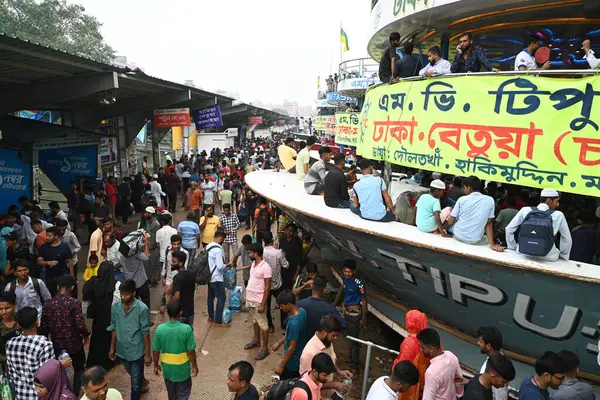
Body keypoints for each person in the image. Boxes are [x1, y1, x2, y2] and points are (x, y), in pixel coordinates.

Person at [41, 274, 90, 395]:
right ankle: (74, 394)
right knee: (79, 369)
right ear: (71, 288)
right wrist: (86, 335)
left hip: (57, 345)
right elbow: (80, 325)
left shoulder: (48, 304)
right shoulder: (74, 303)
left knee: (60, 370)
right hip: (74, 344)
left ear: (58, 287)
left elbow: (44, 327)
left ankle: (61, 393)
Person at [108, 280, 151, 400]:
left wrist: (147, 354)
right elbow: (114, 327)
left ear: (133, 293)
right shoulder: (115, 308)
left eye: (126, 294)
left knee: (135, 385)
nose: (122, 297)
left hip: (137, 351)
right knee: (133, 373)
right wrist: (112, 348)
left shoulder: (142, 309)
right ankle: (143, 382)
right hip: (122, 350)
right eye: (121, 294)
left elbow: (145, 333)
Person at [505, 188, 572, 261]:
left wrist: (513, 248)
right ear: (549, 201)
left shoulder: (525, 210)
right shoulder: (558, 215)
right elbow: (567, 239)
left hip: (523, 254)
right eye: (557, 201)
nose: (557, 204)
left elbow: (508, 229)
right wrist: (564, 255)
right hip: (548, 256)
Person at [6, 306, 55, 400]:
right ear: (37, 322)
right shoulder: (44, 344)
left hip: (19, 394)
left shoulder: (10, 343)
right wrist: (60, 365)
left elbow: (11, 372)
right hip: (38, 395)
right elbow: (46, 376)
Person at [152, 300, 198, 400]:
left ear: (167, 311)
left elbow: (155, 350)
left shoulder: (160, 329)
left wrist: (155, 365)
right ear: (180, 312)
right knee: (183, 394)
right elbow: (191, 351)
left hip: (168, 371)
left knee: (172, 395)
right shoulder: (186, 329)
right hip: (183, 372)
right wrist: (194, 366)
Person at [446, 175, 504, 251]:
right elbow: (489, 223)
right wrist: (492, 245)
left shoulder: (462, 199)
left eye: (464, 188)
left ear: (468, 187)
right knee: (486, 239)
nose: (464, 190)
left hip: (458, 235)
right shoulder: (490, 200)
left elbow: (450, 221)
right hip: (474, 240)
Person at [299, 315, 353, 396]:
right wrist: (334, 385)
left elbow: (331, 360)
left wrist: (339, 371)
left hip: (327, 391)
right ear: (324, 333)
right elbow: (308, 384)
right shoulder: (309, 353)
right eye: (333, 335)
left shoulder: (327, 342)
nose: (335, 338)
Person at [333, 259, 367, 372]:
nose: (347, 274)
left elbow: (364, 300)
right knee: (350, 337)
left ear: (354, 271)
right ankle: (352, 359)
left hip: (354, 315)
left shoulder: (359, 283)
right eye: (345, 271)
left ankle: (354, 366)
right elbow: (343, 292)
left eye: (349, 272)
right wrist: (339, 304)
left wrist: (363, 318)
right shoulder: (345, 281)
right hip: (346, 313)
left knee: (354, 340)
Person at [82, 262, 117, 370]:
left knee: (96, 339)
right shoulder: (114, 285)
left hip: (97, 318)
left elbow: (85, 299)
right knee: (108, 340)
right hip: (109, 318)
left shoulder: (92, 282)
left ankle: (94, 361)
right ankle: (107, 361)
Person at [243, 243, 272, 361]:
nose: (249, 254)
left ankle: (265, 349)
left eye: (250, 252)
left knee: (263, 325)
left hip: (258, 301)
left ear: (256, 253)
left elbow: (267, 287)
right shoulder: (254, 263)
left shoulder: (266, 267)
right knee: (254, 320)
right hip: (251, 299)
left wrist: (263, 304)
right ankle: (256, 340)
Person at [270, 290, 307, 380]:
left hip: (292, 362)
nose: (281, 308)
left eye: (282, 306)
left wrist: (281, 365)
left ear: (288, 305)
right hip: (299, 355)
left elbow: (292, 348)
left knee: (286, 383)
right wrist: (279, 343)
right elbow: (291, 335)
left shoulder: (294, 323)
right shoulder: (302, 311)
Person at [418, 328, 463, 400]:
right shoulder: (451, 356)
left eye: (422, 348)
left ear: (431, 349)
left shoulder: (431, 373)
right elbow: (459, 382)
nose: (421, 350)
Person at [120, 232, 151, 317]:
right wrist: (146, 243)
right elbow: (146, 257)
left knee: (132, 302)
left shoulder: (122, 256)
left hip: (130, 283)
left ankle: (132, 317)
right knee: (145, 300)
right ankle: (146, 317)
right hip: (141, 281)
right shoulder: (136, 255)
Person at [37, 226, 74, 296]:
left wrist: (71, 276)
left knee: (64, 295)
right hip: (49, 277)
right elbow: (39, 261)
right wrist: (48, 262)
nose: (47, 238)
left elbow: (70, 261)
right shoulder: (43, 247)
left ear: (56, 236)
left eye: (49, 236)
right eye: (46, 235)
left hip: (63, 275)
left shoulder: (64, 246)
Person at [477, 326, 509, 400]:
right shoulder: (501, 359)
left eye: (481, 342)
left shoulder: (493, 370)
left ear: (488, 346)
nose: (478, 343)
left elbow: (500, 397)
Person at [170, 251, 196, 328]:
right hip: (190, 311)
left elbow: (177, 296)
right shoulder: (191, 274)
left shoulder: (177, 277)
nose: (172, 263)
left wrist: (167, 305)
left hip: (180, 314)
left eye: (174, 261)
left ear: (180, 263)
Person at [0, 291, 19, 373]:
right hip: (6, 368)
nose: (4, 312)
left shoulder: (22, 321)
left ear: (14, 305)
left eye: (7, 308)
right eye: (0, 309)